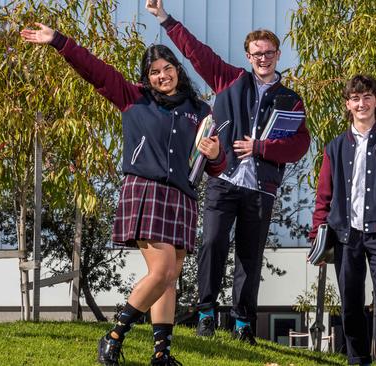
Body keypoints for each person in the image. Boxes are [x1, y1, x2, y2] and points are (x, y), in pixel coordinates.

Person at [20, 20, 226, 366]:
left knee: (171, 277)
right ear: (147, 78)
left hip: (183, 197)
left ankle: (161, 353)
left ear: (178, 70)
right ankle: (113, 335)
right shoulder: (133, 98)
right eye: (155, 72)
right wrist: (58, 41)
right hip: (145, 191)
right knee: (160, 271)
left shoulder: (200, 111)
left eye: (168, 68)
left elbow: (215, 166)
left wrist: (216, 154)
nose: (163, 76)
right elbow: (95, 70)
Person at [145, 0, 311, 345]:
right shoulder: (229, 79)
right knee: (213, 244)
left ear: (278, 55)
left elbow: (300, 146)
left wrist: (261, 148)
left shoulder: (291, 100)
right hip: (223, 181)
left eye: (268, 53)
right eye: (256, 53)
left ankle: (242, 323)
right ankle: (206, 313)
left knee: (250, 258)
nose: (262, 58)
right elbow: (195, 52)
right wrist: (164, 18)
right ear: (248, 57)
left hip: (261, 189)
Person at [310, 75, 376, 366]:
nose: (362, 103)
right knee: (350, 302)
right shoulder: (334, 147)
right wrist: (317, 239)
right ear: (348, 104)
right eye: (355, 98)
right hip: (346, 234)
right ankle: (357, 358)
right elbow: (324, 195)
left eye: (367, 97)